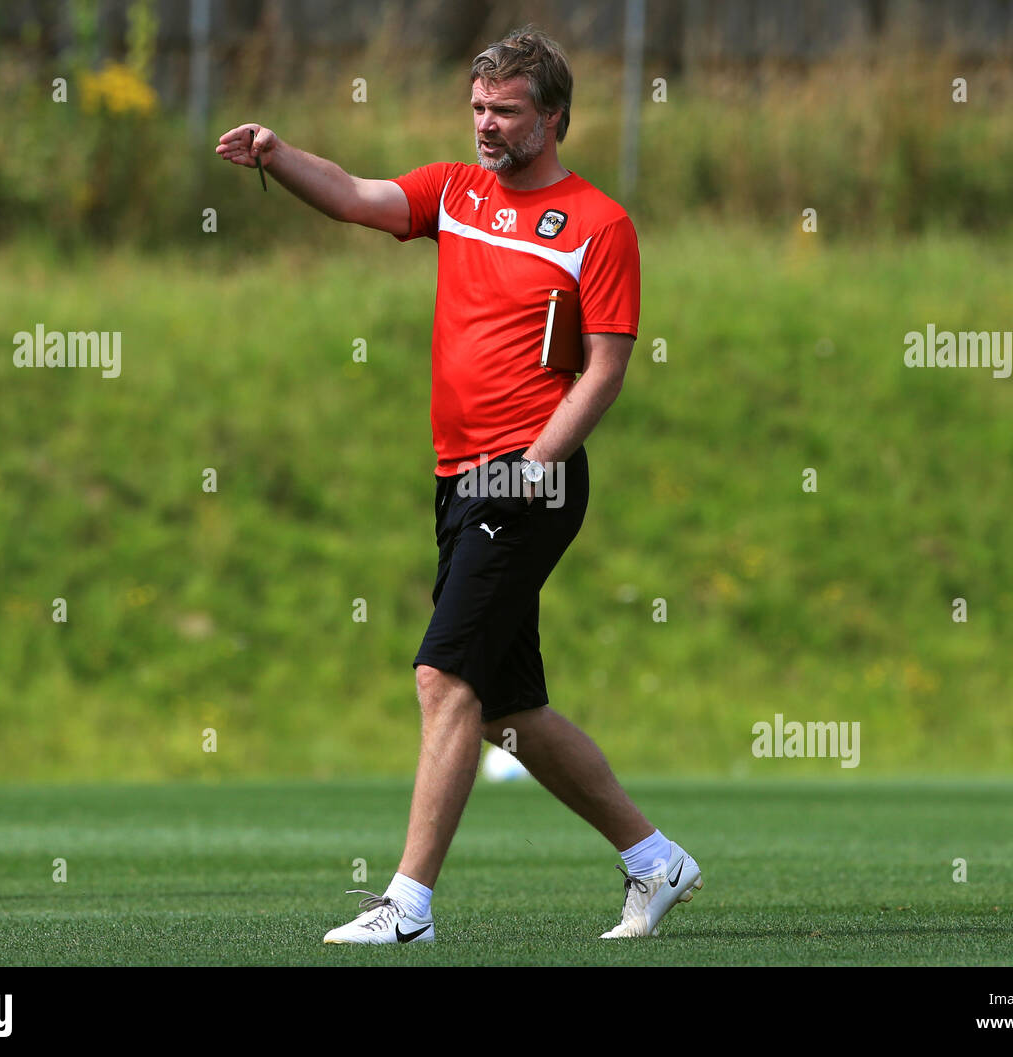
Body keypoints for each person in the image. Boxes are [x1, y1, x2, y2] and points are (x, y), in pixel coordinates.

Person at [217, 26, 702, 943]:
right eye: (478, 107)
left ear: (553, 117)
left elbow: (604, 371)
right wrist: (277, 156)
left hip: (532, 480)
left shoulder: (598, 225)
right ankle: (654, 859)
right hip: (457, 477)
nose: (487, 124)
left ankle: (408, 906)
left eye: (507, 111)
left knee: (444, 677)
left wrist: (534, 467)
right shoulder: (456, 190)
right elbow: (361, 198)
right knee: (509, 710)